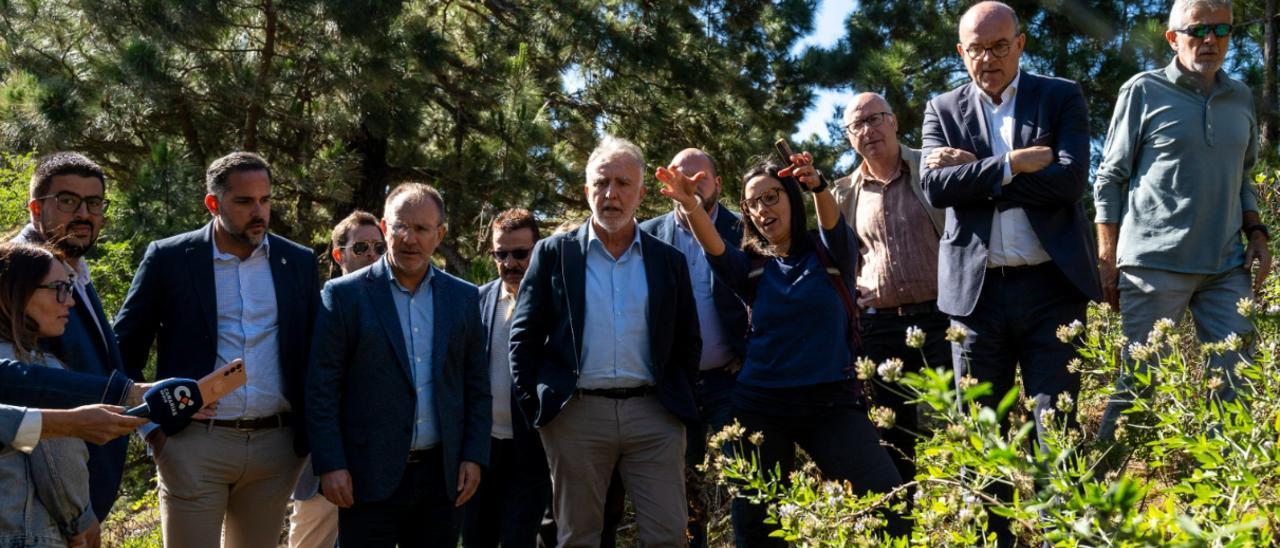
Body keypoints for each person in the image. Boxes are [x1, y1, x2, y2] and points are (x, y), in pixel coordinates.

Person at [918, 2, 1101, 543]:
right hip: (975, 301)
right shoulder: (942, 109)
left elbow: (1068, 183)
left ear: (1020, 44)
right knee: (983, 434)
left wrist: (975, 176)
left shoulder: (1060, 95)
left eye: (999, 46)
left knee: (1057, 429)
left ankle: (1061, 536)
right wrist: (1011, 164)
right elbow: (934, 189)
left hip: (1051, 290)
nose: (987, 59)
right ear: (961, 52)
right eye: (975, 48)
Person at [656, 152, 903, 546]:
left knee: (889, 501)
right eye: (752, 203)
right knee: (756, 524)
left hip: (831, 404)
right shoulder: (751, 267)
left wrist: (818, 186)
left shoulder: (830, 254)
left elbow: (832, 223)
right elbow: (715, 247)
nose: (761, 210)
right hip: (761, 407)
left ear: (792, 195)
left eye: (771, 197)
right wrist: (691, 206)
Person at [114, 151, 320, 548]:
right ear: (213, 203)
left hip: (276, 447)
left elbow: (315, 353)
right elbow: (125, 348)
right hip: (193, 441)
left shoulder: (297, 261)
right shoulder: (170, 258)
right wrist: (152, 427)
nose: (258, 211)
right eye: (244, 202)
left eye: (265, 200)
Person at [1094, 0, 1271, 442]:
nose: (1209, 40)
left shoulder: (1241, 97)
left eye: (1221, 30)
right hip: (1154, 266)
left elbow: (1242, 177)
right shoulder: (1143, 91)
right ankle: (1090, 501)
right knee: (1140, 389)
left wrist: (1257, 230)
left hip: (1227, 269)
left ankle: (1222, 505)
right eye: (1198, 30)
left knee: (1237, 387)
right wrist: (1106, 258)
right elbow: (1110, 177)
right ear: (1173, 38)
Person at [510, 136, 700, 547]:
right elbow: (522, 339)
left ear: (641, 193)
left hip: (655, 416)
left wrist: (678, 405)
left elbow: (688, 341)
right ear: (586, 191)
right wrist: (543, 414)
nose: (611, 194)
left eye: (622, 183)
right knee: (578, 538)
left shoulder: (668, 260)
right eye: (601, 183)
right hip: (576, 417)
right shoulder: (554, 254)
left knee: (668, 535)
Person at [308, 182, 491, 547]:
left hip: (442, 478)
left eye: (422, 229)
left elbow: (476, 385)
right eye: (400, 226)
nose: (409, 238)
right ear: (384, 226)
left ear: (439, 235)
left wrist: (473, 455)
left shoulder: (463, 297)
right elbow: (322, 387)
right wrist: (330, 463)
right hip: (366, 476)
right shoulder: (345, 296)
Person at [831, 93, 949, 484]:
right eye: (857, 126)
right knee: (893, 440)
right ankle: (905, 529)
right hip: (879, 329)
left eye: (875, 119)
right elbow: (837, 258)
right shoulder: (844, 193)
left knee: (958, 427)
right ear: (849, 138)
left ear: (894, 121)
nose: (868, 130)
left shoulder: (932, 165)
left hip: (942, 321)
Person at [0, 243, 147, 548]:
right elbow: (58, 461)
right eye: (58, 288)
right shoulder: (35, 368)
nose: (70, 302)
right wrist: (81, 520)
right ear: (18, 291)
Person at [12, 152, 133, 522]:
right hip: (35, 506)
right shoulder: (19, 277)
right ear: (36, 208)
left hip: (77, 495)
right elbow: (29, 391)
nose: (83, 213)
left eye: (93, 202)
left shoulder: (73, 269)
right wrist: (76, 513)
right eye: (67, 200)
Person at [639, 148, 746, 547]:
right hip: (674, 385)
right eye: (680, 176)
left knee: (746, 482)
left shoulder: (744, 229)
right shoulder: (648, 236)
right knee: (684, 489)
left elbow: (763, 293)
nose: (688, 183)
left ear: (717, 184)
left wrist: (748, 353)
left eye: (698, 177)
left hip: (731, 382)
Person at [288, 210, 385, 548]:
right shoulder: (317, 310)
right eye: (361, 248)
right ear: (338, 255)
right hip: (320, 467)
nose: (372, 254)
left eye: (378, 247)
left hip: (378, 465)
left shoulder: (399, 311)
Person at [462, 208, 551, 548]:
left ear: (537, 250)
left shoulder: (555, 301)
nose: (510, 263)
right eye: (501, 254)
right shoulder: (477, 300)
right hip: (482, 449)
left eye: (519, 253)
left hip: (532, 448)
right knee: (476, 538)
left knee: (519, 539)